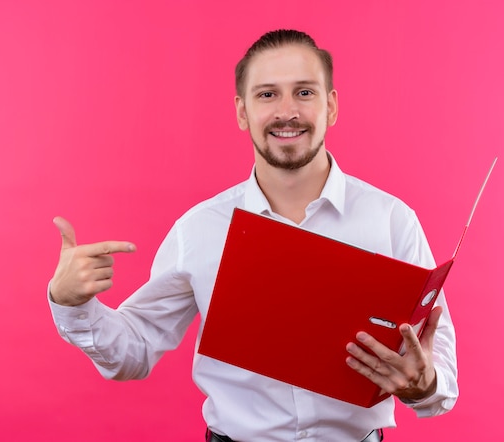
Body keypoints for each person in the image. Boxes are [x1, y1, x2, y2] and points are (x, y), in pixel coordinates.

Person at [48, 29, 458, 442]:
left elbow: (439, 373)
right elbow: (132, 353)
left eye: (304, 92)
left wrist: (422, 384)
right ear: (242, 112)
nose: (287, 111)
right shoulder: (200, 229)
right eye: (267, 95)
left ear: (330, 106)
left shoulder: (391, 220)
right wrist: (72, 305)